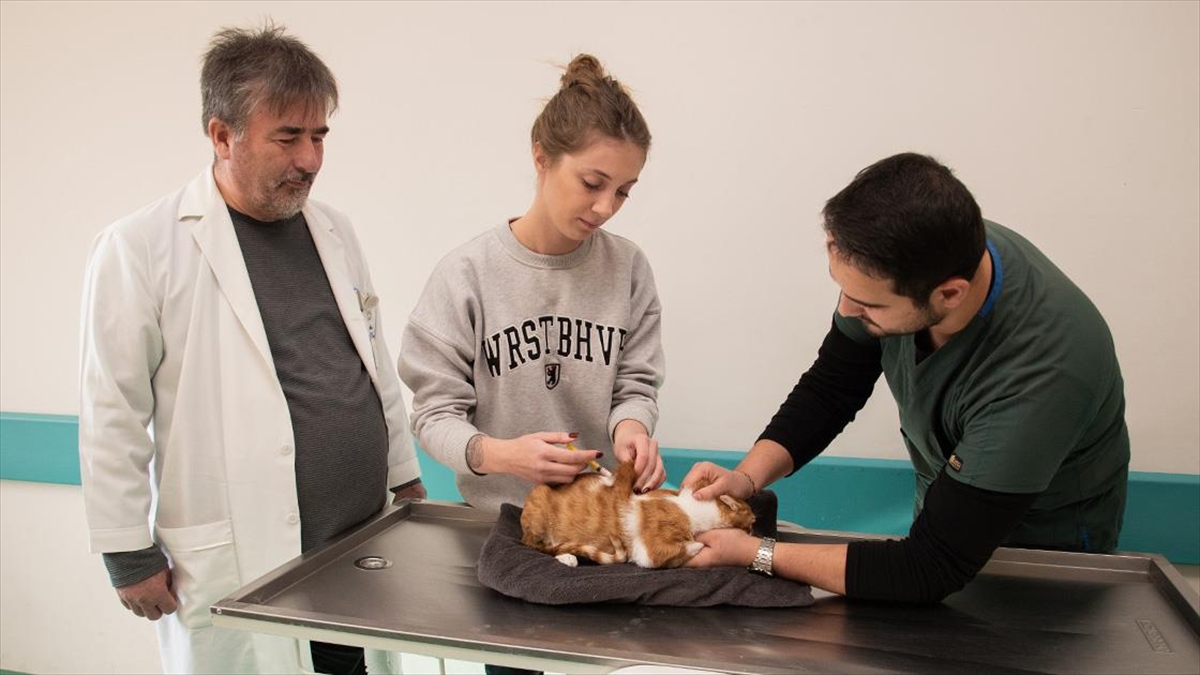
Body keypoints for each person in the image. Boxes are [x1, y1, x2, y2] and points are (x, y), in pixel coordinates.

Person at [79, 23, 423, 674]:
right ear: (221, 134)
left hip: (358, 548)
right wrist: (128, 553)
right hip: (248, 554)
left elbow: (373, 365)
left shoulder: (335, 230)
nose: (311, 159)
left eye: (319, 135)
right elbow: (111, 409)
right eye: (288, 137)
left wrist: (403, 476)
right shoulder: (142, 247)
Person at [682, 152, 1130, 604]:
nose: (849, 312)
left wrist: (755, 553)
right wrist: (746, 479)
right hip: (941, 528)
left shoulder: (1043, 373)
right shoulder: (922, 253)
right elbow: (832, 387)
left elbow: (930, 567)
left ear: (949, 294)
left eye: (869, 305)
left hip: (1041, 568)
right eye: (845, 291)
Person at [398, 54, 666, 513]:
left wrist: (632, 432)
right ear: (541, 156)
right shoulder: (466, 276)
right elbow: (434, 416)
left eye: (623, 190)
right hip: (497, 526)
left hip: (599, 523)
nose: (606, 207)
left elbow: (634, 388)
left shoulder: (629, 268)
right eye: (591, 183)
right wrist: (503, 456)